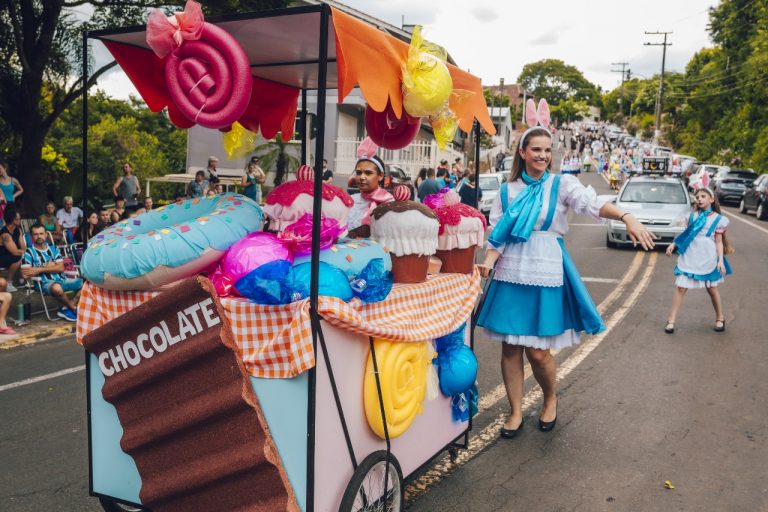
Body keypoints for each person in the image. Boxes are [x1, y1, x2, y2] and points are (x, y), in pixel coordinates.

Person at [476, 122, 655, 439]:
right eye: (536, 149)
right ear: (522, 152)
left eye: (547, 150)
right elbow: (498, 233)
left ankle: (549, 397)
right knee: (510, 349)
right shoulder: (507, 190)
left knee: (538, 352)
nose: (543, 155)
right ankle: (515, 411)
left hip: (545, 270)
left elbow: (593, 204)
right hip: (511, 271)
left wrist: (627, 216)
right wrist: (488, 262)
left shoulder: (562, 185)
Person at [664, 187, 732, 334]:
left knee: (711, 288)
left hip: (708, 255)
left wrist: (720, 261)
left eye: (703, 196)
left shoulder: (719, 220)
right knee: (681, 287)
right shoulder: (691, 216)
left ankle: (720, 318)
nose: (699, 199)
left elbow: (719, 242)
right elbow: (687, 234)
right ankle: (671, 321)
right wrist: (674, 244)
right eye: (697, 197)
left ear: (711, 199)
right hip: (691, 253)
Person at [21, 223, 83, 322]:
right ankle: (74, 309)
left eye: (41, 233)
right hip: (44, 283)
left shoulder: (53, 249)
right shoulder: (28, 253)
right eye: (36, 234)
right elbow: (25, 274)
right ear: (32, 236)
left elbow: (61, 268)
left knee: (87, 283)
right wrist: (49, 265)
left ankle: (67, 306)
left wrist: (38, 269)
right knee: (56, 288)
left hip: (63, 279)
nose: (39, 236)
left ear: (46, 234)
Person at [346, 141, 394, 238]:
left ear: (380, 176)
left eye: (368, 173)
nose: (362, 177)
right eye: (358, 173)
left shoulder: (389, 203)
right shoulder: (350, 201)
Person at [0, 207, 26, 292]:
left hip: (11, 255)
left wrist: (27, 252)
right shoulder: (5, 234)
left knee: (26, 255)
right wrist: (26, 253)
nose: (20, 219)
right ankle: (8, 282)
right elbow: (15, 252)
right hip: (2, 257)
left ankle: (24, 277)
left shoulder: (18, 230)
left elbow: (23, 247)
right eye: (18, 218)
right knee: (18, 258)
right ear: (12, 220)